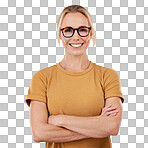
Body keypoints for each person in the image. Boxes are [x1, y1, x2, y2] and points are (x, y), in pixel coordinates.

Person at [25, 4, 124, 148]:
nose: (76, 37)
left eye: (82, 30)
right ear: (60, 34)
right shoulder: (42, 78)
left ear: (91, 34)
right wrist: (97, 125)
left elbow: (112, 127)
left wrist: (59, 120)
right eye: (68, 30)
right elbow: (39, 133)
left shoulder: (108, 76)